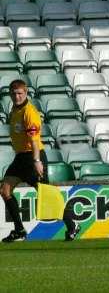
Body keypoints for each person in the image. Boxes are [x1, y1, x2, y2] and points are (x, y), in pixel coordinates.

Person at [0, 80, 80, 243]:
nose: (17, 96)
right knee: (5, 190)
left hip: (32, 157)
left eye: (20, 93)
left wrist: (37, 161)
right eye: (14, 93)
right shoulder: (14, 110)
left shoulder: (30, 112)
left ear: (26, 92)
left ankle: (73, 225)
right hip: (21, 158)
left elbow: (35, 141)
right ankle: (19, 230)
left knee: (46, 195)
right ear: (10, 94)